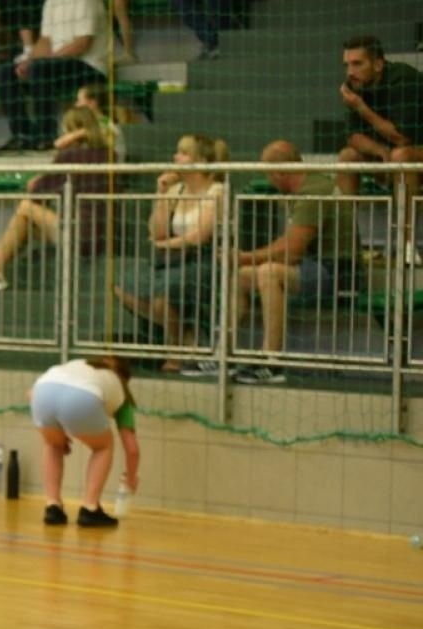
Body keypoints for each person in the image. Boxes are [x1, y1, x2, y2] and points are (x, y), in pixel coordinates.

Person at [0, 106, 116, 291]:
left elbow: (36, 191)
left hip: (78, 233)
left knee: (25, 207)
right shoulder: (108, 155)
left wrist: (44, 172)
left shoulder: (69, 156)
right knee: (24, 223)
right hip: (103, 234)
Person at [235, 140, 359, 380]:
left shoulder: (314, 190)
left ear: (280, 172)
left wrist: (243, 256)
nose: (269, 181)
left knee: (268, 272)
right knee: (240, 276)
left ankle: (271, 362)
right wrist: (241, 263)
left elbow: (291, 251)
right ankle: (224, 352)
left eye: (269, 174)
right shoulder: (302, 189)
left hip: (339, 272)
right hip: (315, 266)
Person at [114, 133, 226, 368]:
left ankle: (176, 348)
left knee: (163, 297)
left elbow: (200, 236)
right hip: (172, 260)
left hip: (203, 260)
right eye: (177, 151)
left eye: (184, 153)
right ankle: (187, 336)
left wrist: (165, 245)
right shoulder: (177, 190)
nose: (175, 157)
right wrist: (162, 193)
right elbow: (157, 232)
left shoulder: (217, 190)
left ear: (202, 161)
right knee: (123, 286)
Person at [28, 356, 138, 527]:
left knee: (52, 445)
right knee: (104, 446)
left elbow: (31, 394)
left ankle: (53, 506)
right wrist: (131, 479)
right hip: (83, 396)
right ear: (124, 377)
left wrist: (57, 434)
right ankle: (90, 508)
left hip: (42, 390)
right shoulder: (120, 390)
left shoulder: (79, 364)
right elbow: (132, 449)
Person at [0, 0, 109, 152]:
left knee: (40, 67)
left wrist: (46, 60)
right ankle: (22, 135)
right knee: (5, 72)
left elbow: (82, 43)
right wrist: (28, 61)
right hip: (57, 65)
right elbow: (45, 40)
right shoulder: (52, 2)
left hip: (90, 66)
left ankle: (45, 135)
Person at [335, 36, 423, 211]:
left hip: (413, 154)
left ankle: (404, 237)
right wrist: (380, 150)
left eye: (357, 64)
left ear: (378, 65)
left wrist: (361, 107)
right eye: (347, 65)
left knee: (401, 156)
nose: (350, 73)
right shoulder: (354, 85)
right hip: (391, 157)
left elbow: (402, 139)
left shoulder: (404, 79)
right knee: (348, 156)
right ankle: (344, 233)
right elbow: (353, 137)